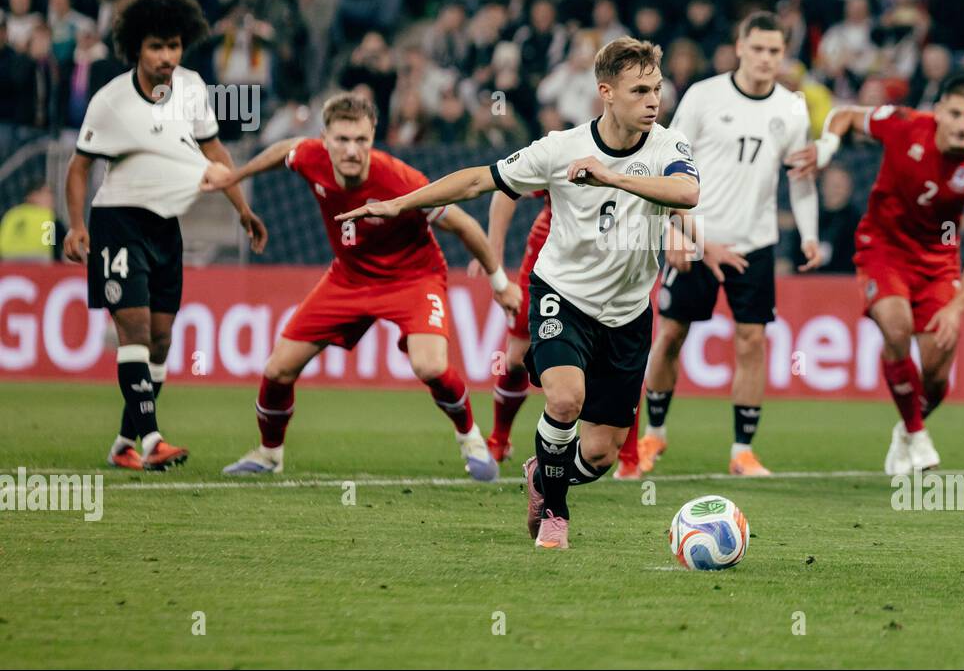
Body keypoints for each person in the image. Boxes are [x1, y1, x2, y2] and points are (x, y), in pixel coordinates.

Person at [335, 37, 699, 550]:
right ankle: (555, 514)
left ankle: (540, 472)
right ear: (606, 93)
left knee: (601, 454)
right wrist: (400, 204)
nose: (653, 100)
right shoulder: (560, 147)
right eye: (640, 90)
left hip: (629, 312)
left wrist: (612, 177)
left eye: (657, 89)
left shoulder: (669, 145)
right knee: (566, 398)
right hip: (562, 296)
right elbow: (477, 183)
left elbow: (688, 193)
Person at [201, 92, 520, 479]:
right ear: (325, 138)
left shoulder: (399, 180)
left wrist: (500, 282)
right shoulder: (310, 158)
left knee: (431, 365)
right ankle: (269, 455)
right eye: (342, 140)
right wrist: (235, 177)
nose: (352, 150)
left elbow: (465, 225)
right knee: (277, 370)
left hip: (413, 278)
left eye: (361, 141)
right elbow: (286, 148)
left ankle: (470, 438)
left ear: (373, 137)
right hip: (349, 278)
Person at [63, 0, 268, 471]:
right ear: (137, 48)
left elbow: (214, 153)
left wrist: (241, 208)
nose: (166, 57)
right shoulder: (110, 102)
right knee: (132, 328)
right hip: (117, 222)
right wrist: (75, 227)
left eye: (173, 46)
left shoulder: (194, 88)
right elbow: (78, 167)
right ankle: (152, 440)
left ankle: (122, 443)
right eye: (156, 46)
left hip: (164, 228)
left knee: (160, 339)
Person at [791, 75, 964, 474]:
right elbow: (843, 115)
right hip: (883, 249)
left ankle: (907, 431)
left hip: (938, 263)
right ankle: (918, 434)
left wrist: (958, 307)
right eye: (955, 114)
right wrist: (826, 148)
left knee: (938, 373)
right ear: (939, 111)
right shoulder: (904, 124)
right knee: (896, 327)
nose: (962, 124)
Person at [638, 11, 822, 477]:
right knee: (673, 334)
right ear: (739, 47)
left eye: (774, 51)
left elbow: (800, 180)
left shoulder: (792, 108)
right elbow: (664, 161)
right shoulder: (704, 96)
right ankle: (653, 436)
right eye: (757, 48)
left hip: (754, 242)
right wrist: (674, 230)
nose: (765, 59)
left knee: (751, 341)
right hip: (697, 236)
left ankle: (742, 451)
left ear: (784, 55)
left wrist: (810, 233)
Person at [472, 190, 642, 478]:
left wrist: (684, 236)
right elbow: (506, 189)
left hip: (611, 258)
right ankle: (499, 440)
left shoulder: (639, 152)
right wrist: (494, 258)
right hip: (549, 251)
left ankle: (629, 455)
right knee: (516, 357)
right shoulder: (563, 146)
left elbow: (671, 194)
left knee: (615, 358)